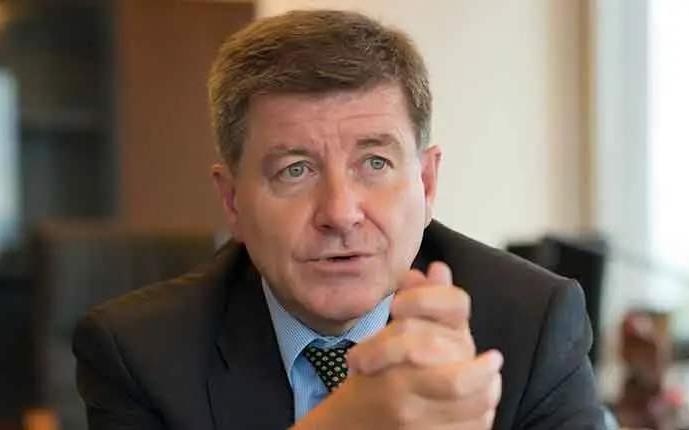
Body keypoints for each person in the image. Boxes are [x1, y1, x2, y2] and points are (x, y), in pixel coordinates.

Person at [73, 9, 605, 430]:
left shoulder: (532, 324)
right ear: (232, 201)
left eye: (374, 163)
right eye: (295, 170)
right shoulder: (140, 353)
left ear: (426, 183)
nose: (340, 213)